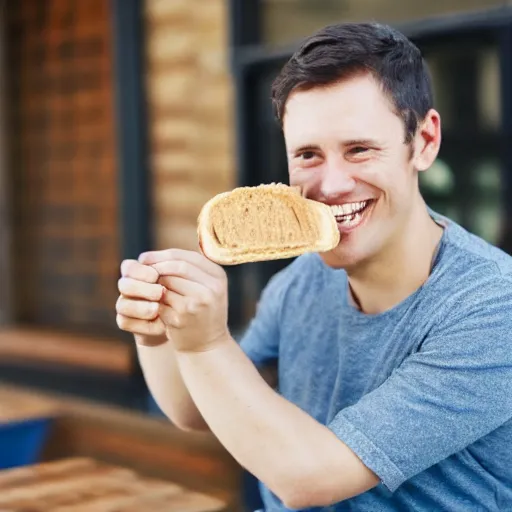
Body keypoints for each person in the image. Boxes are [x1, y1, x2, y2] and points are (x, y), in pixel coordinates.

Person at [115, 22, 512, 511]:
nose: (333, 183)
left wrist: (206, 341)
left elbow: (309, 476)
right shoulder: (304, 277)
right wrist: (158, 329)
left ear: (424, 141)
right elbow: (198, 410)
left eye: (360, 149)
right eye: (307, 155)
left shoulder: (493, 306)